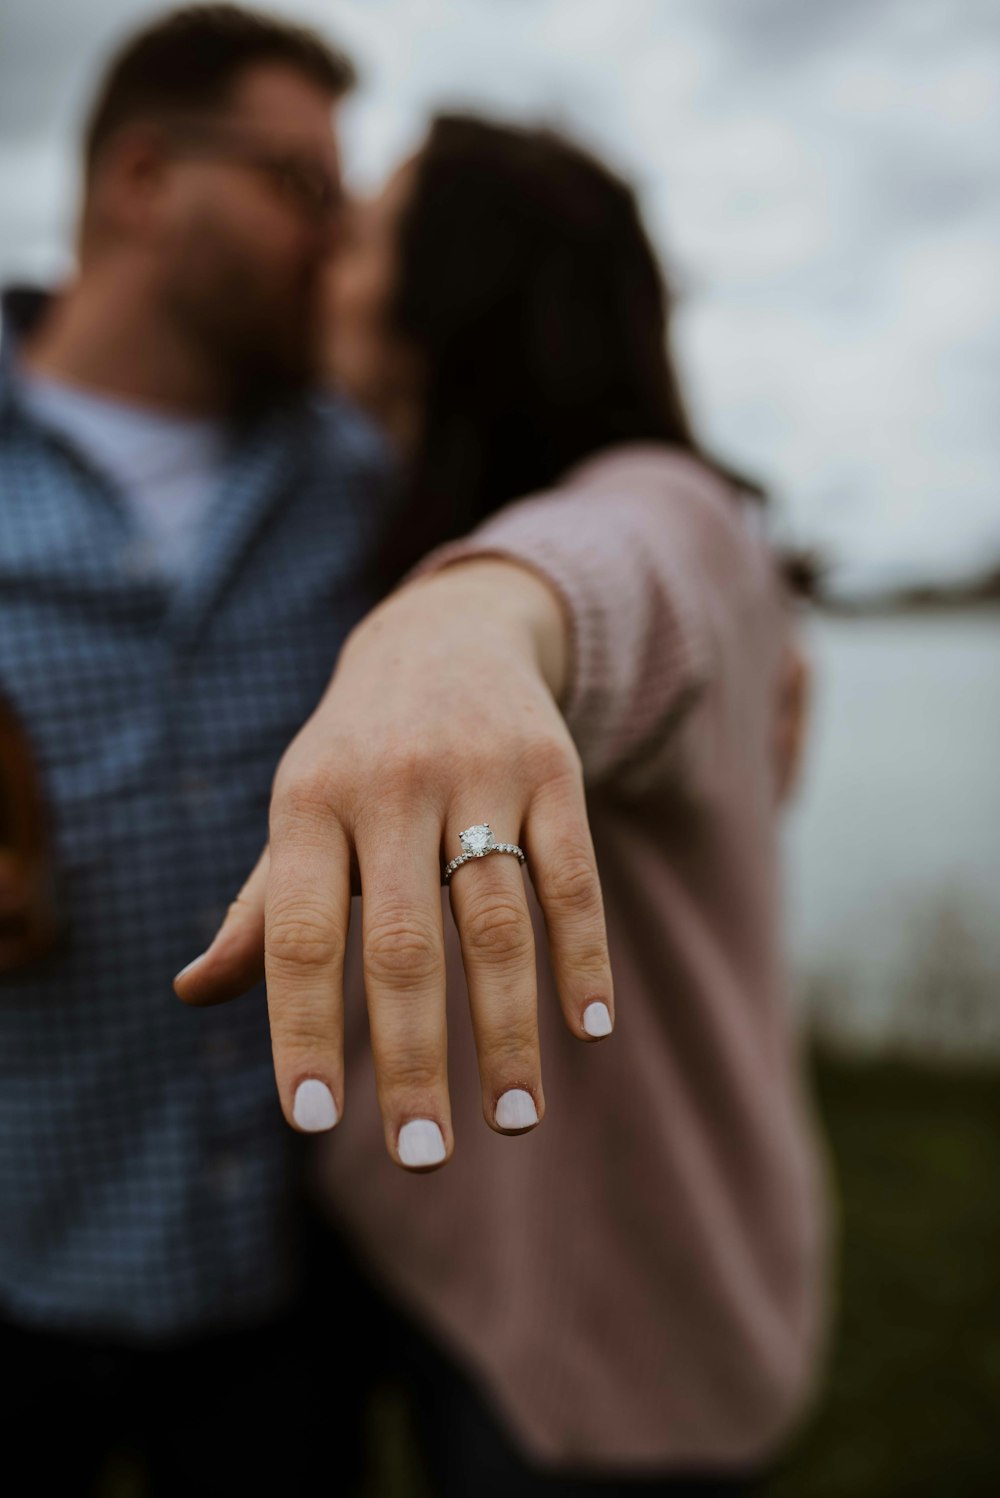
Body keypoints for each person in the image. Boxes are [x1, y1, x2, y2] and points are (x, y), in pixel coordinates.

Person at [176, 116, 831, 1493]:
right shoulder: (355, 492)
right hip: (419, 1246)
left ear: (448, 301)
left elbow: (616, 569)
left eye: (363, 233)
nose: (327, 255)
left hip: (626, 1329)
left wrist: (461, 635)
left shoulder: (674, 511)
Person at [0, 6, 407, 1492]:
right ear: (145, 178)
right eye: (305, 183)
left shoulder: (366, 478)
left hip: (291, 1286)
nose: (341, 234)